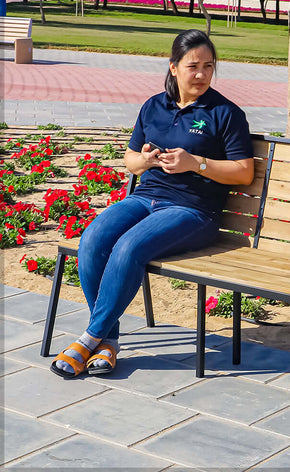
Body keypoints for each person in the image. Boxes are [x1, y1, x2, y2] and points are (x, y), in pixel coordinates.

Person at [51, 29, 254, 379]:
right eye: (193, 66)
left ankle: (88, 338)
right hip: (145, 197)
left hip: (193, 211)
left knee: (130, 247)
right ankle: (109, 342)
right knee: (94, 238)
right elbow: (131, 159)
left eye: (209, 66)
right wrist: (145, 160)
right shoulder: (153, 106)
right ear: (173, 67)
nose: (202, 74)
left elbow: (244, 172)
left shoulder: (225, 113)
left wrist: (197, 163)